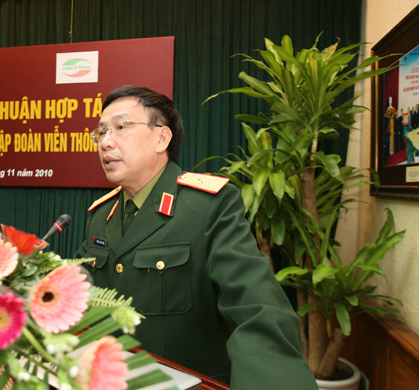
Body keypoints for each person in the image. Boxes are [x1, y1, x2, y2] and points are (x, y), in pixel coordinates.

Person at [73, 85, 317, 389]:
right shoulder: (101, 215)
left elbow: (258, 310)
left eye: (121, 127)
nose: (106, 142)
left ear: (162, 138)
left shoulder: (209, 207)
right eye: (101, 132)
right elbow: (75, 289)